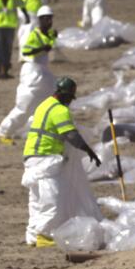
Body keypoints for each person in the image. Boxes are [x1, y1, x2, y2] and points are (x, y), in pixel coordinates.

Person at [21, 77, 102, 248]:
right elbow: (71, 135)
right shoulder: (60, 110)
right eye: (70, 98)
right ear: (65, 94)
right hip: (45, 158)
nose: (70, 102)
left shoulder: (44, 104)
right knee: (53, 197)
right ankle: (43, 234)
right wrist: (88, 151)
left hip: (32, 156)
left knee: (36, 198)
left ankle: (33, 236)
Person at [0, 6, 56, 145]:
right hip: (32, 72)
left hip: (44, 73)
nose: (48, 21)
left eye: (50, 18)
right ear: (40, 20)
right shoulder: (34, 35)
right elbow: (26, 51)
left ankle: (42, 132)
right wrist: (42, 48)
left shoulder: (50, 34)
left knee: (50, 102)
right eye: (45, 18)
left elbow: (51, 43)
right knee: (25, 106)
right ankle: (4, 132)